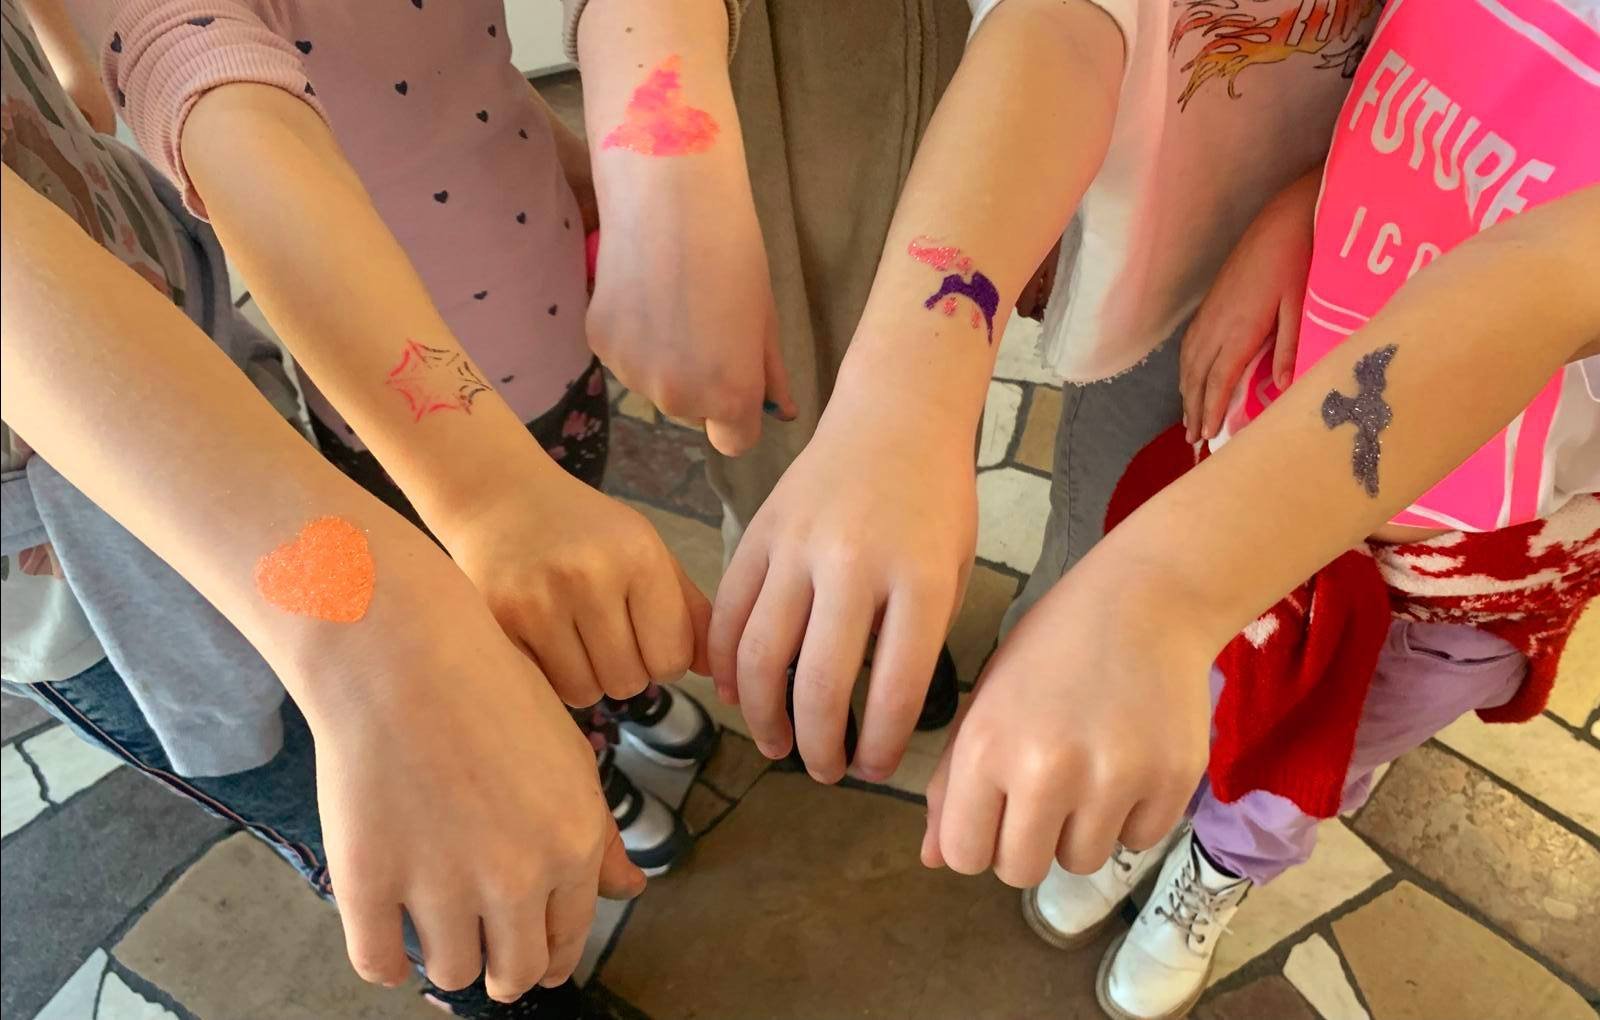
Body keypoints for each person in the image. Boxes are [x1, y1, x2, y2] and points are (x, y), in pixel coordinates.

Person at [938, 1, 1599, 1016]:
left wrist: (1156, 590)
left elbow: (1549, 274)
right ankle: (1158, 813)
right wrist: (1305, 200)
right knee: (1210, 685)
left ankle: (1221, 866)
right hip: (1285, 385)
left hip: (1470, 573)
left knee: (1325, 746)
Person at [0, 1, 646, 1013]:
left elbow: (180, 35)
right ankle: (501, 990)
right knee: (340, 804)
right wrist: (373, 630)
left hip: (172, 324)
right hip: (55, 559)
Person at [92, 0, 720, 873]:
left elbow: (467, 72)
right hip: (400, 412)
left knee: (582, 532)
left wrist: (578, 173)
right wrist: (487, 491)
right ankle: (589, 754)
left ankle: (620, 685)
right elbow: (202, 80)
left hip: (548, 305)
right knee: (505, 623)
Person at [700, 0, 1384, 786]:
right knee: (1090, 534)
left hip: (1373, 262)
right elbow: (1061, 25)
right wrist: (903, 404)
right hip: (1164, 256)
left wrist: (1318, 195)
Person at [562, 0, 971, 730]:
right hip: (751, 74)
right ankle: (790, 614)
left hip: (938, 74)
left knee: (936, 386)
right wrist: (655, 147)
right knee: (768, 415)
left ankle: (890, 602)